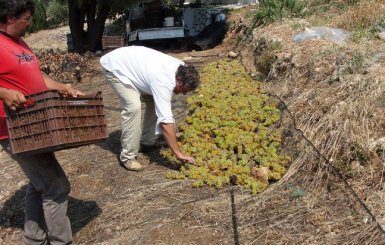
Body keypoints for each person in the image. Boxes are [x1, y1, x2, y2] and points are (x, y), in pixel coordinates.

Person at [0, 0, 84, 244]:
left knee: (40, 183)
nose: (29, 22)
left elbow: (36, 75)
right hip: (12, 127)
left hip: (35, 124)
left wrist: (64, 87)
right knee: (56, 186)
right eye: (25, 18)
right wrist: (4, 93)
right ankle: (60, 241)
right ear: (8, 18)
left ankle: (34, 238)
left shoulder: (19, 44)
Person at [100, 46, 200, 171]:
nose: (184, 94)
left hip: (134, 66)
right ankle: (128, 157)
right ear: (179, 80)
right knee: (133, 107)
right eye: (184, 90)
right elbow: (165, 123)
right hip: (115, 67)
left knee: (154, 101)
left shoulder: (182, 68)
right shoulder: (164, 82)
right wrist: (178, 153)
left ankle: (147, 142)